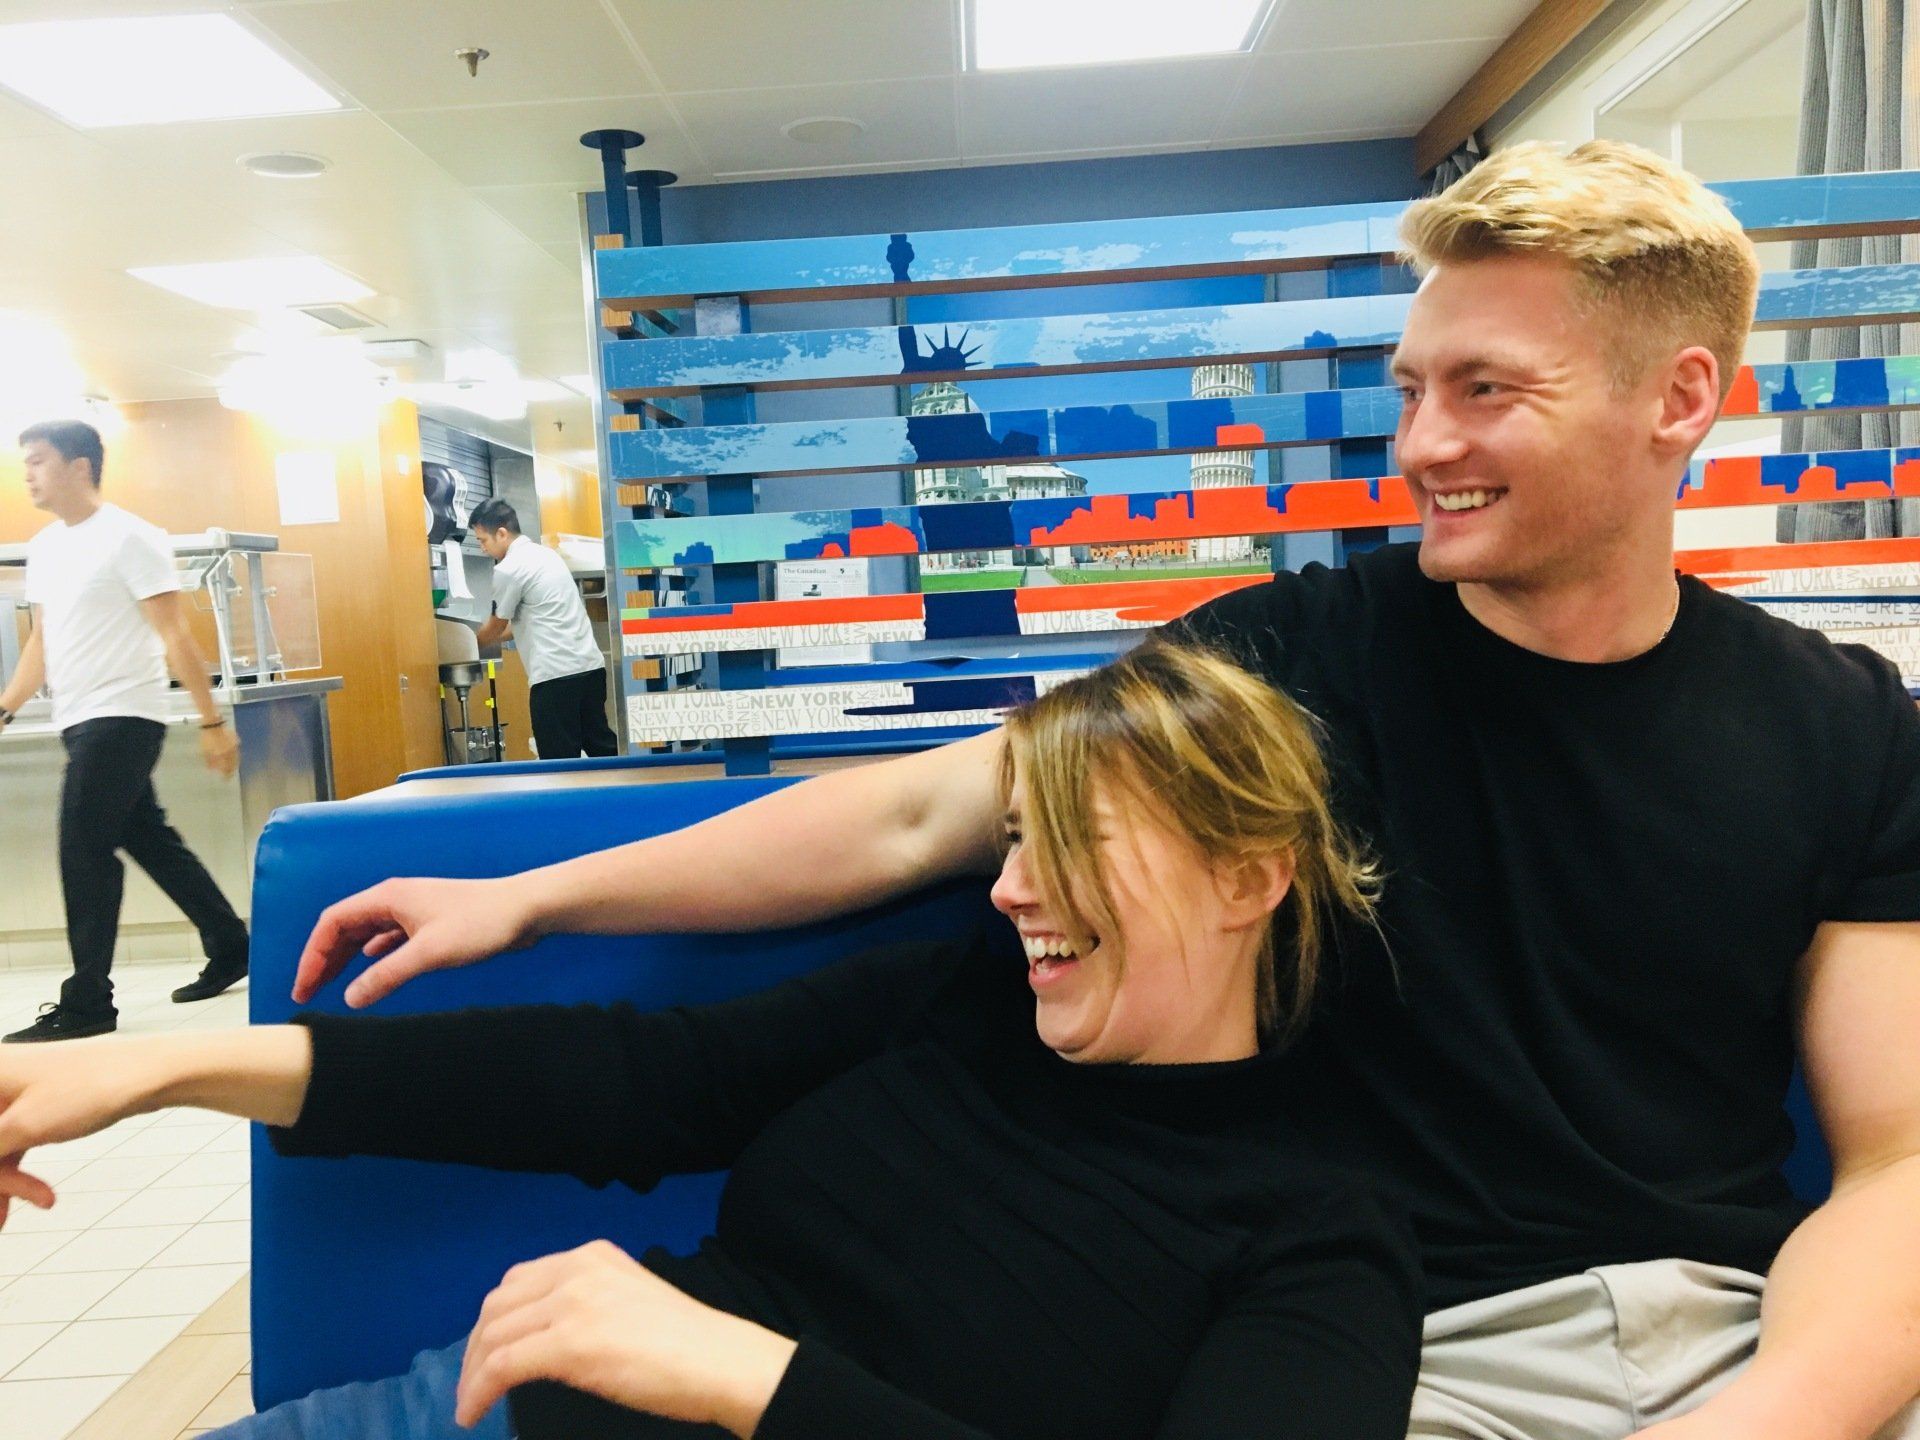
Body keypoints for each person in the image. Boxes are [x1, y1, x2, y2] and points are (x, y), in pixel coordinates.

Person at [291, 140, 1920, 1440]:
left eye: (1485, 389)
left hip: (1750, 1335)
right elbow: (921, 813)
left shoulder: (1850, 726)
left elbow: (1900, 1160)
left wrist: (1779, 1412)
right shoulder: (1289, 659)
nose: (1421, 443)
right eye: (1412, 387)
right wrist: (533, 895)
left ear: (1680, 400)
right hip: (1408, 1353)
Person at [0, 640, 1422, 1440]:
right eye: (1010, 840)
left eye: (1074, 845)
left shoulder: (1319, 1236)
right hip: (493, 1419)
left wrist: (749, 1378)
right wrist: (153, 1072)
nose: (1011, 889)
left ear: (1251, 878)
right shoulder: (963, 998)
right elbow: (632, 1083)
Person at [0, 421, 250, 1045]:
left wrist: (213, 722)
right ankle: (231, 943)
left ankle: (88, 1000)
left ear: (79, 466)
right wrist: (4, 708)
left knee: (82, 848)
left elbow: (175, 633)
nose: (28, 473)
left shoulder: (130, 537)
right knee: (149, 839)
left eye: (38, 461)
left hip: (123, 716)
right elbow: (42, 643)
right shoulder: (46, 547)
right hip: (78, 717)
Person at [467, 497, 617, 761]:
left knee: (558, 761)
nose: (482, 548)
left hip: (555, 677)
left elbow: (497, 626)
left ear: (501, 533)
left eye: (483, 540)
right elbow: (528, 621)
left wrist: (466, 644)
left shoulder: (509, 569)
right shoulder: (546, 555)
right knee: (602, 750)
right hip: (590, 669)